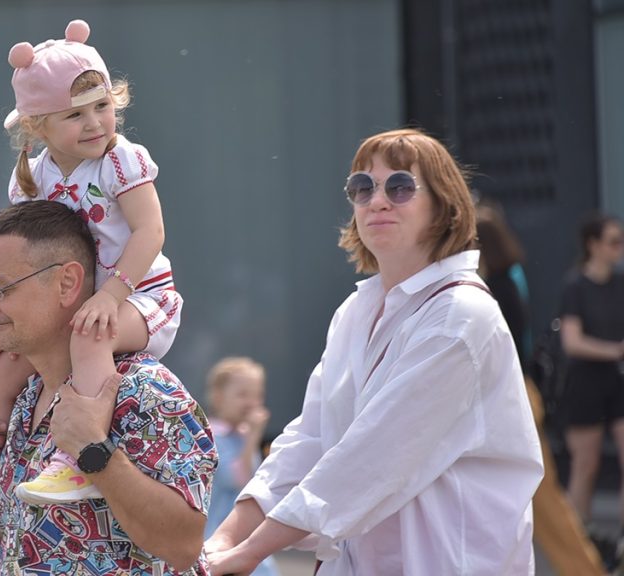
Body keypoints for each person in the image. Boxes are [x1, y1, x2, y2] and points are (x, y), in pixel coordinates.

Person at [205, 128, 544, 575]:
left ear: (443, 206)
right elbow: (311, 438)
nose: (377, 200)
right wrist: (225, 538)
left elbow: (372, 459)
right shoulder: (355, 311)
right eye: (361, 188)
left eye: (400, 186)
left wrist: (249, 553)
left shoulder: (461, 315)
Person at [0, 18, 184, 553]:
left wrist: (111, 295)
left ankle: (76, 457)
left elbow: (151, 231)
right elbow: (28, 259)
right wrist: (4, 331)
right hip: (85, 303)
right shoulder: (35, 177)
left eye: (103, 105)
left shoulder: (123, 161)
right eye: (75, 114)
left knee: (89, 336)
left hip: (143, 297)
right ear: (38, 127)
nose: (96, 122)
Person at [0, 201, 215, 574]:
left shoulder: (143, 389)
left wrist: (94, 452)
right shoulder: (23, 402)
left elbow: (183, 545)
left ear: (67, 283)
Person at [477, 204, 606, 575]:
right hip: (513, 395)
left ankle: (587, 569)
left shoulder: (495, 287)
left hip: (509, 397)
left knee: (544, 499)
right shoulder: (510, 277)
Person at [559, 215, 624, 539]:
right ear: (593, 245)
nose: (619, 249)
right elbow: (572, 341)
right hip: (586, 381)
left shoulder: (620, 283)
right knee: (586, 464)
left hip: (619, 382)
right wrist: (615, 351)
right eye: (613, 241)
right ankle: (578, 543)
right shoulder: (576, 287)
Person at [203, 357, 276, 576]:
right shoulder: (211, 436)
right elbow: (235, 479)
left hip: (248, 538)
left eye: (257, 395)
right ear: (218, 398)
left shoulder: (244, 437)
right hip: (217, 537)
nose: (251, 402)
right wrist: (253, 437)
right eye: (242, 394)